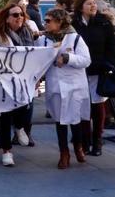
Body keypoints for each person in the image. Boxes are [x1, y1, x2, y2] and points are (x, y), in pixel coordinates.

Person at [37, 9, 91, 169]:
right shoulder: (44, 40)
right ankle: (64, 153)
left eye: (48, 20)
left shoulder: (75, 38)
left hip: (74, 86)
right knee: (60, 121)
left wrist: (68, 58)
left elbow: (86, 60)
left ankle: (78, 146)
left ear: (59, 22)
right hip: (55, 87)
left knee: (75, 120)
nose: (45, 23)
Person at [0, 3, 37, 167]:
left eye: (21, 15)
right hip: (3, 80)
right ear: (7, 18)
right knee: (3, 116)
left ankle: (18, 127)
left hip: (23, 79)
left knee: (25, 107)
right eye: (15, 15)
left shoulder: (27, 33)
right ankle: (6, 151)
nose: (19, 18)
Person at [72, 0, 115, 157]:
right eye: (89, 4)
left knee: (97, 105)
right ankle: (84, 142)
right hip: (78, 70)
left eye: (94, 3)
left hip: (99, 69)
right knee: (82, 106)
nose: (93, 6)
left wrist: (109, 64)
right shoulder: (74, 24)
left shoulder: (104, 22)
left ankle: (97, 142)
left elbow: (113, 45)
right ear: (80, 7)